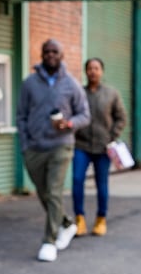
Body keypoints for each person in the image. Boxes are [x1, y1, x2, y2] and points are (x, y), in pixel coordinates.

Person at [17, 39, 91, 262]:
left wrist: (69, 124)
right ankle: (67, 223)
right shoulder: (30, 83)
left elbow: (85, 115)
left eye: (54, 51)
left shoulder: (71, 84)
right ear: (41, 54)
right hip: (34, 147)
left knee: (54, 191)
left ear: (62, 55)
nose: (50, 55)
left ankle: (49, 242)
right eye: (46, 51)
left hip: (61, 145)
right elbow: (21, 115)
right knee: (45, 193)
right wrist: (25, 144)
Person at [71, 57, 126, 237]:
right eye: (90, 68)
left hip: (103, 148)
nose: (93, 71)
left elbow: (121, 117)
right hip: (82, 145)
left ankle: (101, 218)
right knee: (77, 180)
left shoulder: (111, 94)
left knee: (101, 183)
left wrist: (112, 135)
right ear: (86, 71)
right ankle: (79, 218)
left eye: (96, 68)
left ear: (102, 71)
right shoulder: (79, 93)